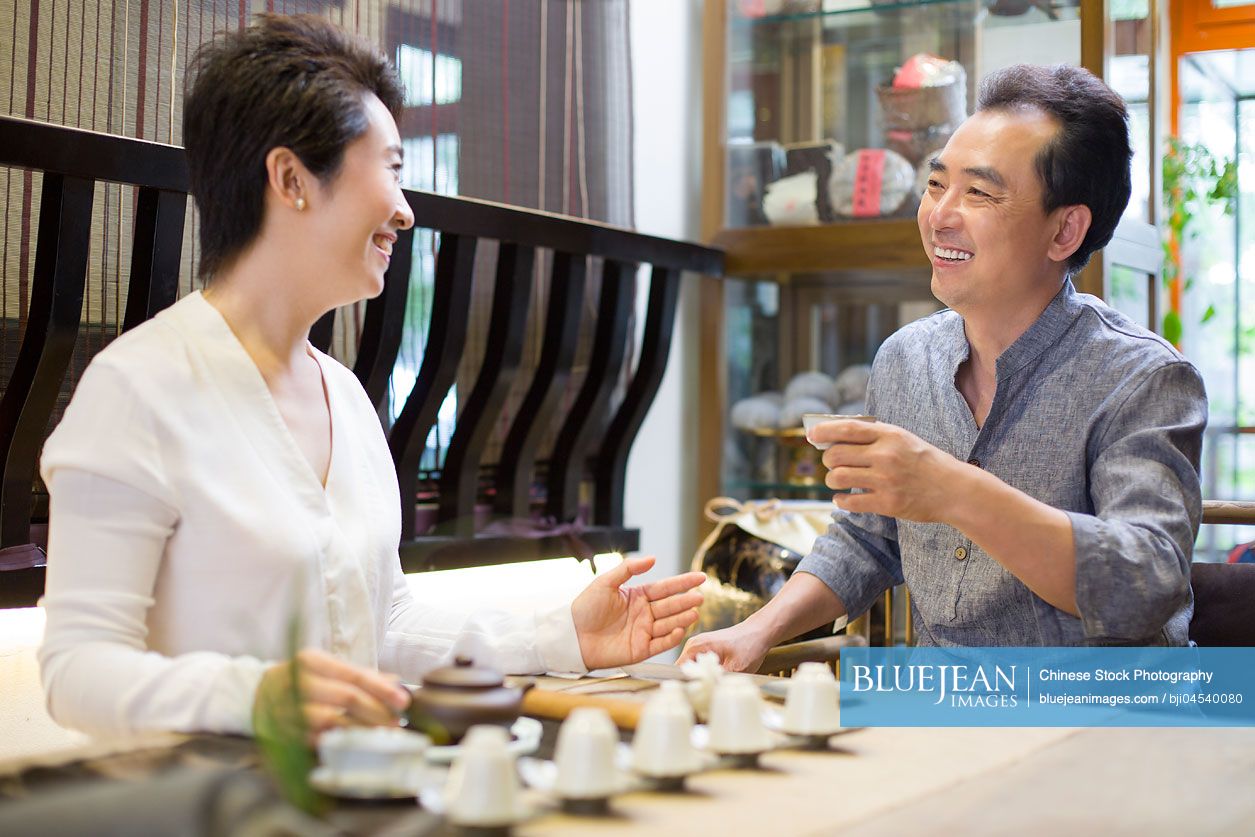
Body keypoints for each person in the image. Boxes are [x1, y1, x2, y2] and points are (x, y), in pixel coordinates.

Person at [37, 14, 704, 740]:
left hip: (350, 796)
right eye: (389, 167)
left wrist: (559, 638)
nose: (405, 210)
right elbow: (76, 671)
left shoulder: (346, 397)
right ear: (290, 178)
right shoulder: (136, 389)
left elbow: (383, 620)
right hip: (205, 803)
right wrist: (250, 693)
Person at [681, 64, 1206, 667]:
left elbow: (1144, 583)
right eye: (936, 185)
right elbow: (867, 537)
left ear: (1065, 230)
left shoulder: (1143, 378)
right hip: (947, 709)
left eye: (979, 193)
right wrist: (757, 630)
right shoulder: (906, 359)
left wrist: (955, 490)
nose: (939, 215)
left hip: (1104, 721)